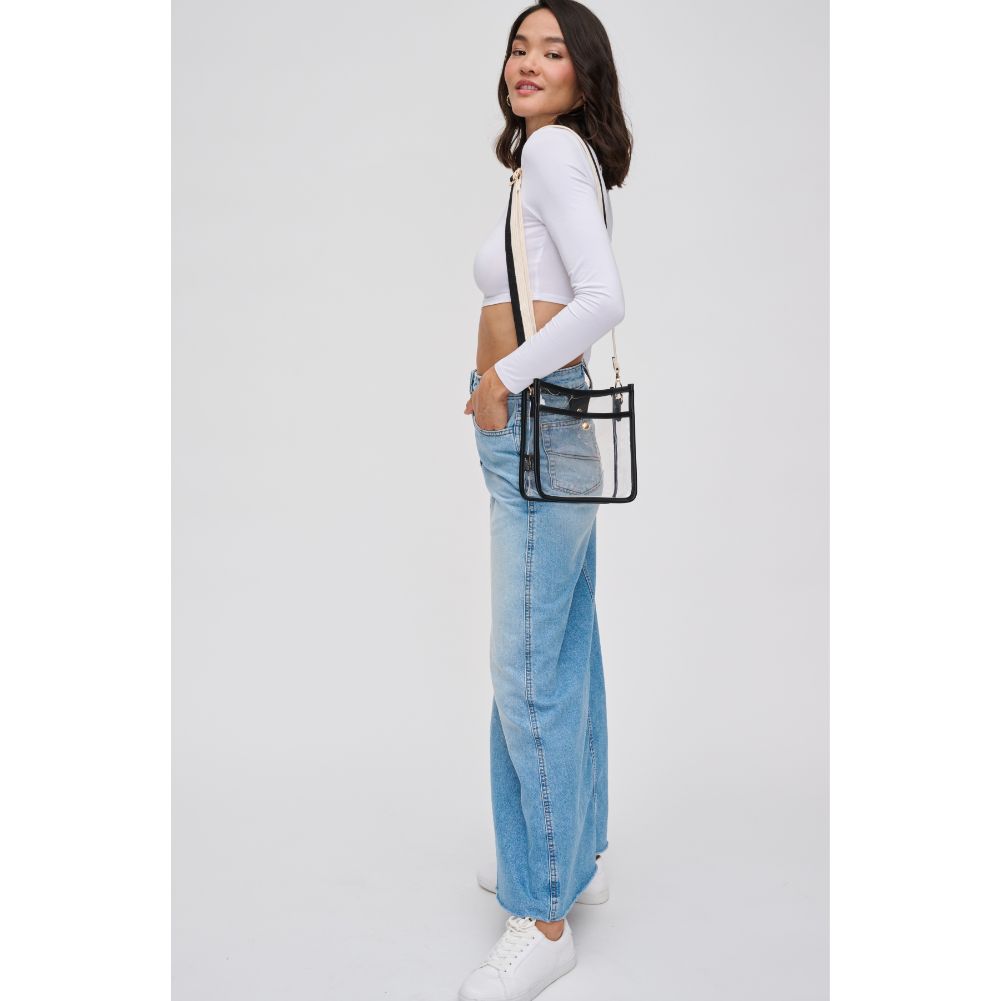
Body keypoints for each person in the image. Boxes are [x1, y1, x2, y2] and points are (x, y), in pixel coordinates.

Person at [459, 3, 632, 999]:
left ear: (581, 74)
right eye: (518, 47)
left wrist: (502, 378)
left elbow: (603, 298)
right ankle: (568, 849)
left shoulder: (556, 152)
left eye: (552, 51)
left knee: (526, 669)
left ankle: (543, 912)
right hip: (538, 422)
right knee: (562, 646)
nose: (527, 62)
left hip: (533, 419)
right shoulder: (545, 161)